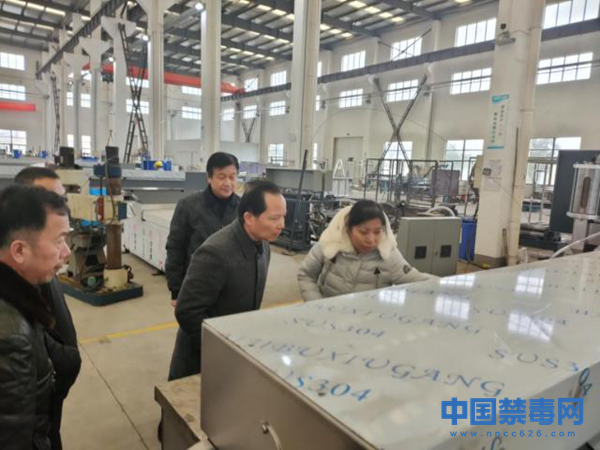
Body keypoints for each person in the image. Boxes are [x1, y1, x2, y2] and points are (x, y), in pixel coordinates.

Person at [169, 180, 286, 380]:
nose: (282, 225)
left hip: (235, 351)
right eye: (274, 218)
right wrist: (224, 344)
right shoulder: (216, 253)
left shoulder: (262, 246)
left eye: (284, 216)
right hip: (202, 359)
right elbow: (187, 312)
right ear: (249, 218)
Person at [0, 185, 71, 449]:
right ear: (19, 250)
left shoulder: (18, 300)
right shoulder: (11, 336)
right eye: (59, 241)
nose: (67, 252)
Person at [15, 166, 81, 450]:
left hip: (51, 387)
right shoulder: (23, 261)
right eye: (50, 198)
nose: (59, 206)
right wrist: (64, 360)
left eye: (61, 198)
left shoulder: (44, 251)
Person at [298, 200, 430, 301]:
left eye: (377, 232)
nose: (371, 240)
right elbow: (306, 275)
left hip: (368, 322)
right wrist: (317, 305)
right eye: (363, 232)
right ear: (348, 229)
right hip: (328, 317)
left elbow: (421, 283)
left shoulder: (389, 255)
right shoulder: (330, 244)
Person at [165, 152, 240, 307]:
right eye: (221, 177)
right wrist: (176, 290)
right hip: (197, 284)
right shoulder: (188, 206)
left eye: (232, 177)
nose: (228, 182)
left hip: (232, 287)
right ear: (209, 177)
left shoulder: (243, 208)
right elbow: (175, 249)